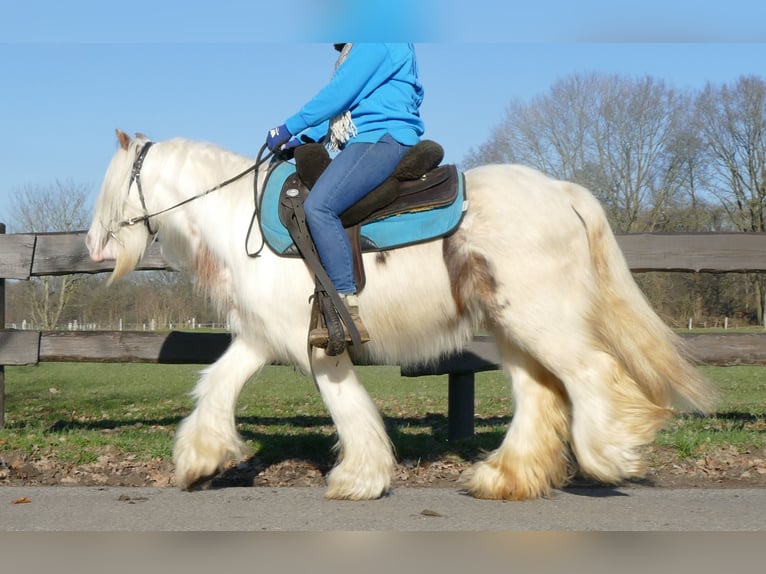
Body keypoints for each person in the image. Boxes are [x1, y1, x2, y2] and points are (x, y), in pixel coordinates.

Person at [266, 43, 425, 347]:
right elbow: (350, 107)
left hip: (382, 138)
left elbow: (341, 93)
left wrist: (288, 126)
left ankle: (345, 310)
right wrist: (304, 139)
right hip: (366, 139)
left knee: (320, 207)